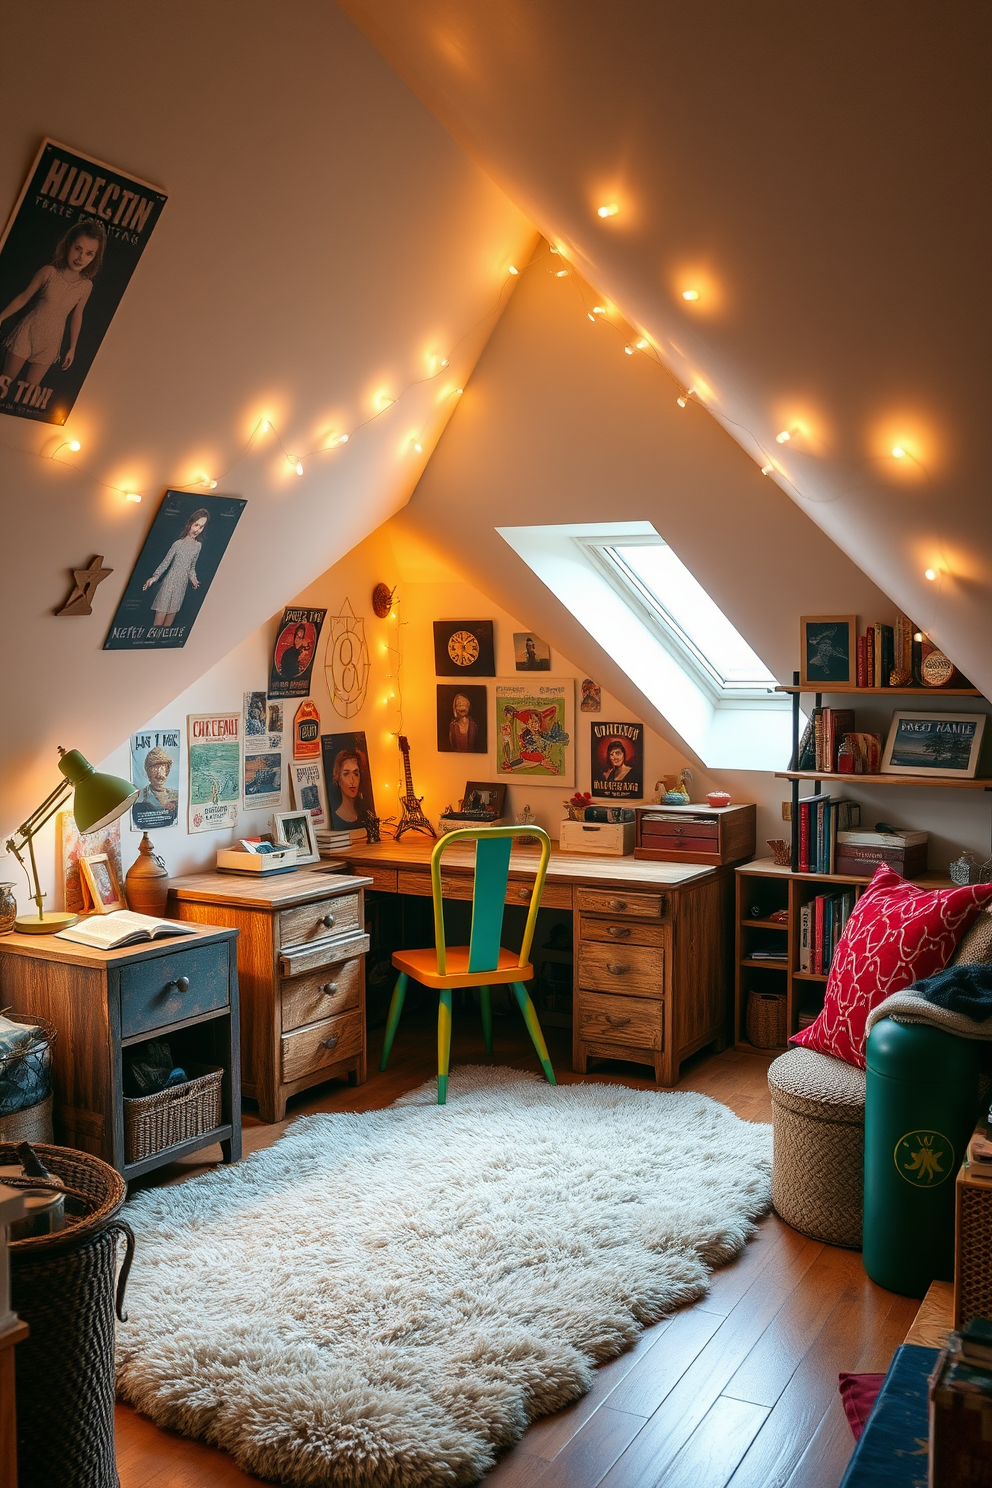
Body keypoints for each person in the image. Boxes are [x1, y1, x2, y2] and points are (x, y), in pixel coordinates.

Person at [0, 219, 106, 396]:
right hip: (28, 331)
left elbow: (77, 316)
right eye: (77, 249)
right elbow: (24, 297)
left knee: (27, 394)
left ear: (94, 258)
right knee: (5, 383)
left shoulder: (86, 286)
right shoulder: (48, 272)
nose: (80, 258)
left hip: (51, 342)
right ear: (68, 245)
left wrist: (72, 347)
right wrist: (1, 317)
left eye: (89, 253)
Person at [142, 508, 209, 628]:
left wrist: (193, 578)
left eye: (201, 527)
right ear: (190, 524)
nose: (198, 530)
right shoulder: (178, 544)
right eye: (196, 525)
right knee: (159, 619)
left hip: (181, 584)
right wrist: (154, 577)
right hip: (170, 581)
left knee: (169, 620)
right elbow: (166, 562)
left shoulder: (198, 546)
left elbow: (191, 567)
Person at [133, 747, 178, 828]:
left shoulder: (175, 795)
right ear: (147, 771)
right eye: (155, 767)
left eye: (163, 767)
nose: (160, 774)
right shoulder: (140, 797)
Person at [330, 747, 368, 829]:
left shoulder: (365, 815)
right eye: (346, 774)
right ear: (338, 779)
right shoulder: (336, 818)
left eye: (356, 773)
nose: (352, 780)